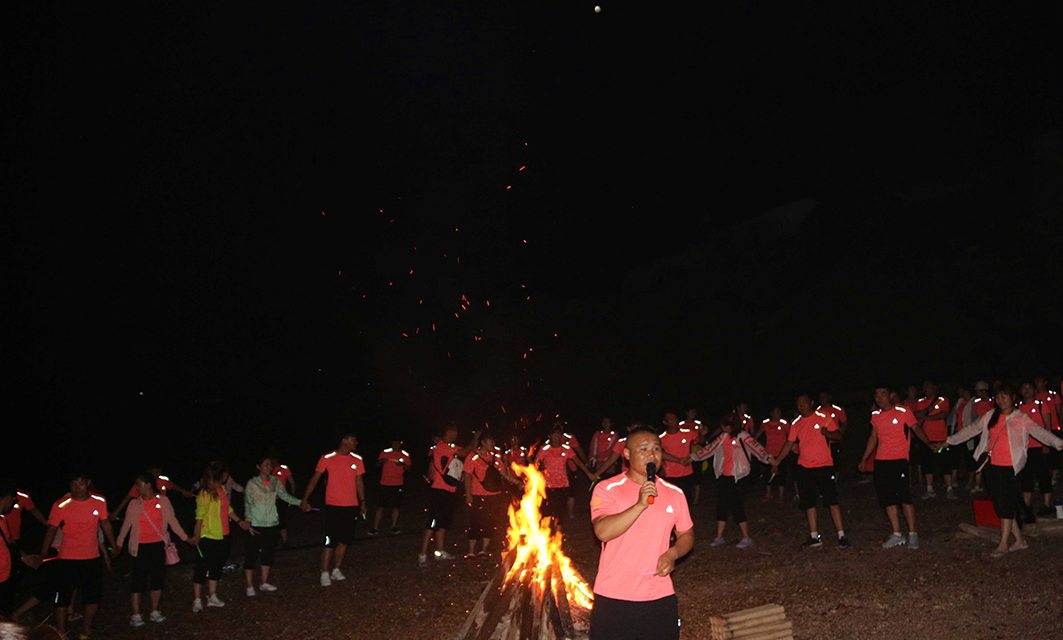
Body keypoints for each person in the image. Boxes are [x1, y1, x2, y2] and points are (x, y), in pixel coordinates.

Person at [588, 426, 694, 640]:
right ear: (627, 454)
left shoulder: (675, 493)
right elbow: (603, 531)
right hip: (614, 596)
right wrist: (639, 505)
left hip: (659, 595)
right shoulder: (607, 489)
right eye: (643, 449)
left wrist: (673, 553)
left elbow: (687, 535)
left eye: (656, 449)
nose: (652, 455)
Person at [935, 384, 1063, 558]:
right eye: (998, 397)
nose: (1001, 400)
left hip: (1010, 466)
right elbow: (971, 430)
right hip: (991, 465)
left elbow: (1041, 433)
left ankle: (1003, 544)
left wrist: (1059, 443)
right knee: (1001, 503)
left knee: (1006, 503)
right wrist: (949, 441)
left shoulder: (1021, 418)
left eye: (1005, 396)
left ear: (1013, 398)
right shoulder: (990, 416)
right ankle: (1020, 541)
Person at [37, 473, 119, 639]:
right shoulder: (61, 505)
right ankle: (62, 633)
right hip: (67, 558)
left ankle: (86, 630)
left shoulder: (99, 501)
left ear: (88, 483)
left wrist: (114, 545)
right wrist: (43, 554)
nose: (77, 487)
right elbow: (51, 529)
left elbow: (105, 524)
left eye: (80, 483)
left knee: (92, 598)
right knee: (62, 599)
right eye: (73, 484)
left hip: (91, 557)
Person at [772, 394, 850, 549]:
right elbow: (789, 443)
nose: (801, 406)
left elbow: (839, 436)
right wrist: (777, 461)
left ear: (811, 403)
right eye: (799, 404)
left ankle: (841, 535)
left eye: (804, 403)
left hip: (824, 465)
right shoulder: (796, 423)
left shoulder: (824, 417)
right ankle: (814, 536)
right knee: (809, 501)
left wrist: (829, 434)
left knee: (831, 500)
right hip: (805, 467)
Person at [115, 472, 191, 627]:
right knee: (138, 581)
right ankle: (136, 614)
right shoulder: (134, 504)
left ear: (149, 484)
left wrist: (186, 538)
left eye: (139, 484)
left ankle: (155, 611)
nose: (137, 487)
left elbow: (172, 521)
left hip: (157, 545)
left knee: (157, 579)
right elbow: (126, 525)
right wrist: (119, 544)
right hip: (139, 547)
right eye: (137, 484)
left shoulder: (163, 501)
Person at [691, 415, 773, 548]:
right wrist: (692, 458)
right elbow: (709, 449)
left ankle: (746, 537)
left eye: (724, 426)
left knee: (737, 505)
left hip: (739, 476)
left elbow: (758, 449)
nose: (722, 429)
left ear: (730, 426)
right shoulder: (723, 437)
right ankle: (719, 537)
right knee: (722, 505)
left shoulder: (743, 436)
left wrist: (770, 459)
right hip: (724, 475)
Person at [858, 387, 924, 550]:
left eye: (883, 394)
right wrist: (864, 458)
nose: (879, 398)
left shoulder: (903, 411)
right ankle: (897, 534)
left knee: (904, 498)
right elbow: (873, 437)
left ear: (891, 395)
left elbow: (916, 428)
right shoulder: (875, 415)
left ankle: (913, 534)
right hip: (882, 461)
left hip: (899, 460)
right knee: (888, 499)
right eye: (876, 395)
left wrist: (929, 443)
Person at [300, 431, 367, 586]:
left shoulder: (357, 459)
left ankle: (336, 569)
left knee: (344, 540)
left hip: (351, 506)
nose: (356, 443)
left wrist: (363, 502)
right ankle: (324, 572)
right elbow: (315, 479)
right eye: (353, 440)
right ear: (344, 440)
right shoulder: (327, 458)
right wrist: (305, 499)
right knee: (330, 541)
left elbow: (359, 481)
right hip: (333, 506)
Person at [191, 461, 251, 612]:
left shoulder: (222, 489)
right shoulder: (204, 494)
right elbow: (199, 517)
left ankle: (212, 595)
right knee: (202, 567)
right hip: (208, 535)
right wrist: (196, 536)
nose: (227, 476)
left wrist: (239, 521)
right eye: (225, 474)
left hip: (223, 534)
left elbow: (228, 509)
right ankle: (197, 599)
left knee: (217, 565)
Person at [418, 425, 479, 567]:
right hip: (438, 490)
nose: (454, 434)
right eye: (451, 432)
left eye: (455, 432)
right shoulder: (441, 446)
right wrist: (475, 438)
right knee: (432, 523)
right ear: (445, 433)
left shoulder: (452, 447)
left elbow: (468, 451)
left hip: (450, 490)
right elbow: (464, 452)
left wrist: (475, 443)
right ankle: (422, 554)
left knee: (443, 522)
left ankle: (439, 551)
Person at [243, 455, 302, 596]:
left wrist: (300, 503)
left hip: (272, 523)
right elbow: (248, 502)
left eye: (270, 465)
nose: (269, 467)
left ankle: (264, 582)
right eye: (265, 465)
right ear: (258, 467)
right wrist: (248, 519)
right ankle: (249, 585)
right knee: (251, 555)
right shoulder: (252, 483)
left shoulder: (275, 481)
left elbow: (284, 495)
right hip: (256, 523)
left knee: (268, 553)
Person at [463, 434, 519, 558]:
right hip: (477, 494)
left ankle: (483, 550)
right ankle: (471, 551)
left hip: (494, 495)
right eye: (490, 441)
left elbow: (505, 474)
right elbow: (467, 476)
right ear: (483, 442)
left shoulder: (495, 457)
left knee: (489, 522)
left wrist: (518, 482)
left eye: (493, 441)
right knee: (475, 521)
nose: (493, 444)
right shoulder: (472, 456)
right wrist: (468, 494)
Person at [535, 427, 594, 526]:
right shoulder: (545, 449)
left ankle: (559, 527)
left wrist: (588, 473)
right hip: (548, 485)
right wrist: (539, 468)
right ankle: (546, 529)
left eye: (559, 435)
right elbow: (536, 463)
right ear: (550, 436)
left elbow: (578, 462)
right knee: (548, 508)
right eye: (554, 435)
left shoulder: (566, 449)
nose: (556, 437)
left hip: (563, 484)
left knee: (561, 509)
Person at [1017, 383, 1054, 520]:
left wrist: (1047, 444)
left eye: (1030, 388)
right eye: (1024, 388)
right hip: (1024, 448)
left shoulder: (1041, 405)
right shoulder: (1018, 408)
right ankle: (1027, 506)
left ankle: (1047, 504)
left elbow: (1047, 427)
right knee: (1026, 477)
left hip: (1039, 446)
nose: (1027, 390)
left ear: (1034, 390)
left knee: (1043, 475)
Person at [913, 381, 955, 499]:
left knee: (945, 463)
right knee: (927, 464)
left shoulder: (942, 400)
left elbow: (943, 414)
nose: (926, 389)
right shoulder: (920, 402)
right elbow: (915, 415)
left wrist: (926, 417)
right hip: (926, 439)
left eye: (928, 386)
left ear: (934, 387)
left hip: (941, 438)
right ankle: (929, 489)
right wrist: (926, 412)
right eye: (924, 387)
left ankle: (949, 488)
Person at [113, 467, 194, 520]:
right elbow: (128, 497)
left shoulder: (162, 481)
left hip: (160, 513)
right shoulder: (140, 484)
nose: (157, 474)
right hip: (144, 513)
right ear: (149, 472)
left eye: (158, 472)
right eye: (155, 472)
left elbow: (173, 486)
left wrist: (184, 491)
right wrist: (116, 512)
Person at [370, 440, 411, 536]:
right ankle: (375, 527)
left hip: (398, 484)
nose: (395, 445)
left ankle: (394, 526)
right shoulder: (385, 452)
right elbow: (377, 464)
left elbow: (409, 468)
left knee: (396, 506)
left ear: (400, 444)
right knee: (380, 506)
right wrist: (381, 461)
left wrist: (403, 465)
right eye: (393, 443)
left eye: (397, 443)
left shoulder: (405, 454)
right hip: (385, 483)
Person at [658, 412, 696, 507]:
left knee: (687, 501)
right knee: (671, 502)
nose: (673, 420)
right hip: (670, 474)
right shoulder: (661, 438)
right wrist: (678, 460)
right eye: (670, 419)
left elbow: (701, 443)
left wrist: (701, 433)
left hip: (686, 472)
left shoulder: (687, 433)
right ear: (665, 422)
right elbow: (659, 453)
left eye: (674, 418)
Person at [754, 407, 791, 502]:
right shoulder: (765, 423)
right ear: (771, 413)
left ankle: (781, 495)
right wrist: (752, 441)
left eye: (780, 411)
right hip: (769, 453)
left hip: (782, 453)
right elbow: (759, 433)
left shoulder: (784, 423)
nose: (779, 413)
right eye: (777, 411)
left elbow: (791, 436)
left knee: (781, 474)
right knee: (768, 474)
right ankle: (768, 494)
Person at [816, 391, 849, 475]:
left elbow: (844, 423)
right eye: (820, 397)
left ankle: (836, 476)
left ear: (829, 397)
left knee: (836, 460)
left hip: (834, 440)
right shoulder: (817, 410)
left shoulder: (837, 409)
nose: (822, 399)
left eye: (824, 397)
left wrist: (839, 432)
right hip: (821, 442)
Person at [271, 459, 297, 546]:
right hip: (269, 500)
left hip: (281, 499)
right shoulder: (268, 469)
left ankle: (285, 541)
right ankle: (274, 541)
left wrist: (292, 496)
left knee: (281, 519)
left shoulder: (284, 468)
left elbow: (292, 482)